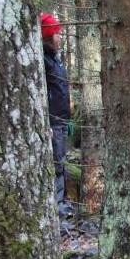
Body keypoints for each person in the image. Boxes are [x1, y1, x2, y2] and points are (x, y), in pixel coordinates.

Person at [41, 12, 72, 216]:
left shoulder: (54, 60)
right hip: (52, 123)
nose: (60, 37)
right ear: (48, 35)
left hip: (61, 120)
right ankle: (56, 207)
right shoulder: (42, 61)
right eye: (57, 33)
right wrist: (47, 124)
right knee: (56, 164)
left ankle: (60, 203)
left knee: (60, 160)